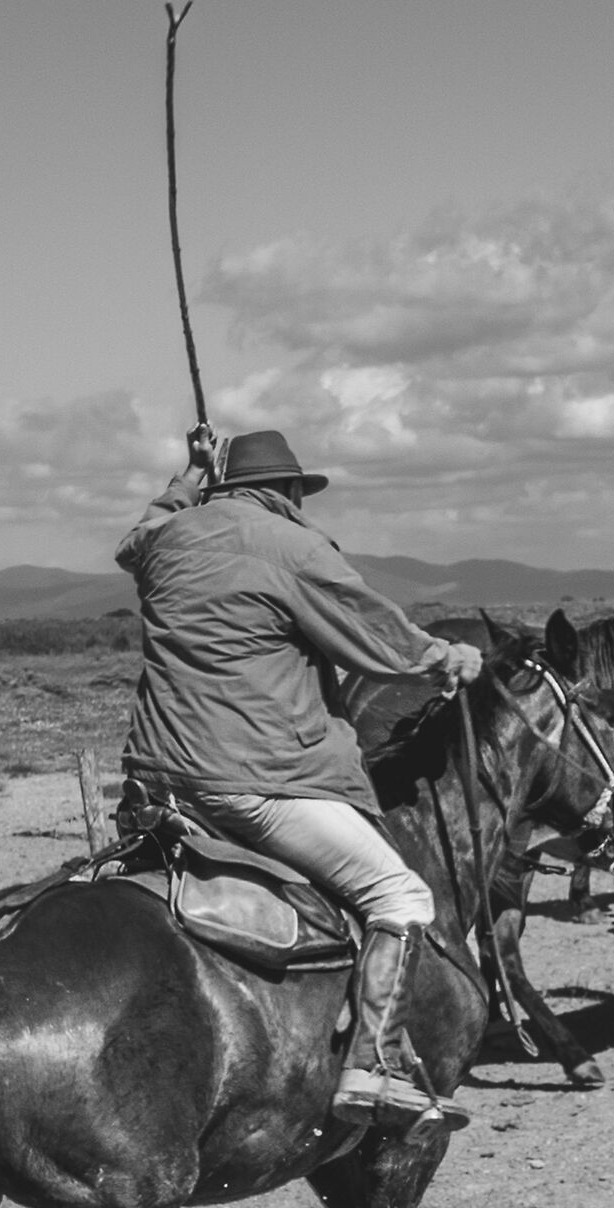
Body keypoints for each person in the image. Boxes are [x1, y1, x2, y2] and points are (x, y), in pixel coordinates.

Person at [115, 423, 483, 1128]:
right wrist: (444, 657)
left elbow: (138, 533)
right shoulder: (294, 546)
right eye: (299, 494)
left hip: (154, 780)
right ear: (286, 491)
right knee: (399, 895)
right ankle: (371, 1071)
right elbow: (373, 632)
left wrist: (189, 479)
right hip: (253, 781)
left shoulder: (166, 540)